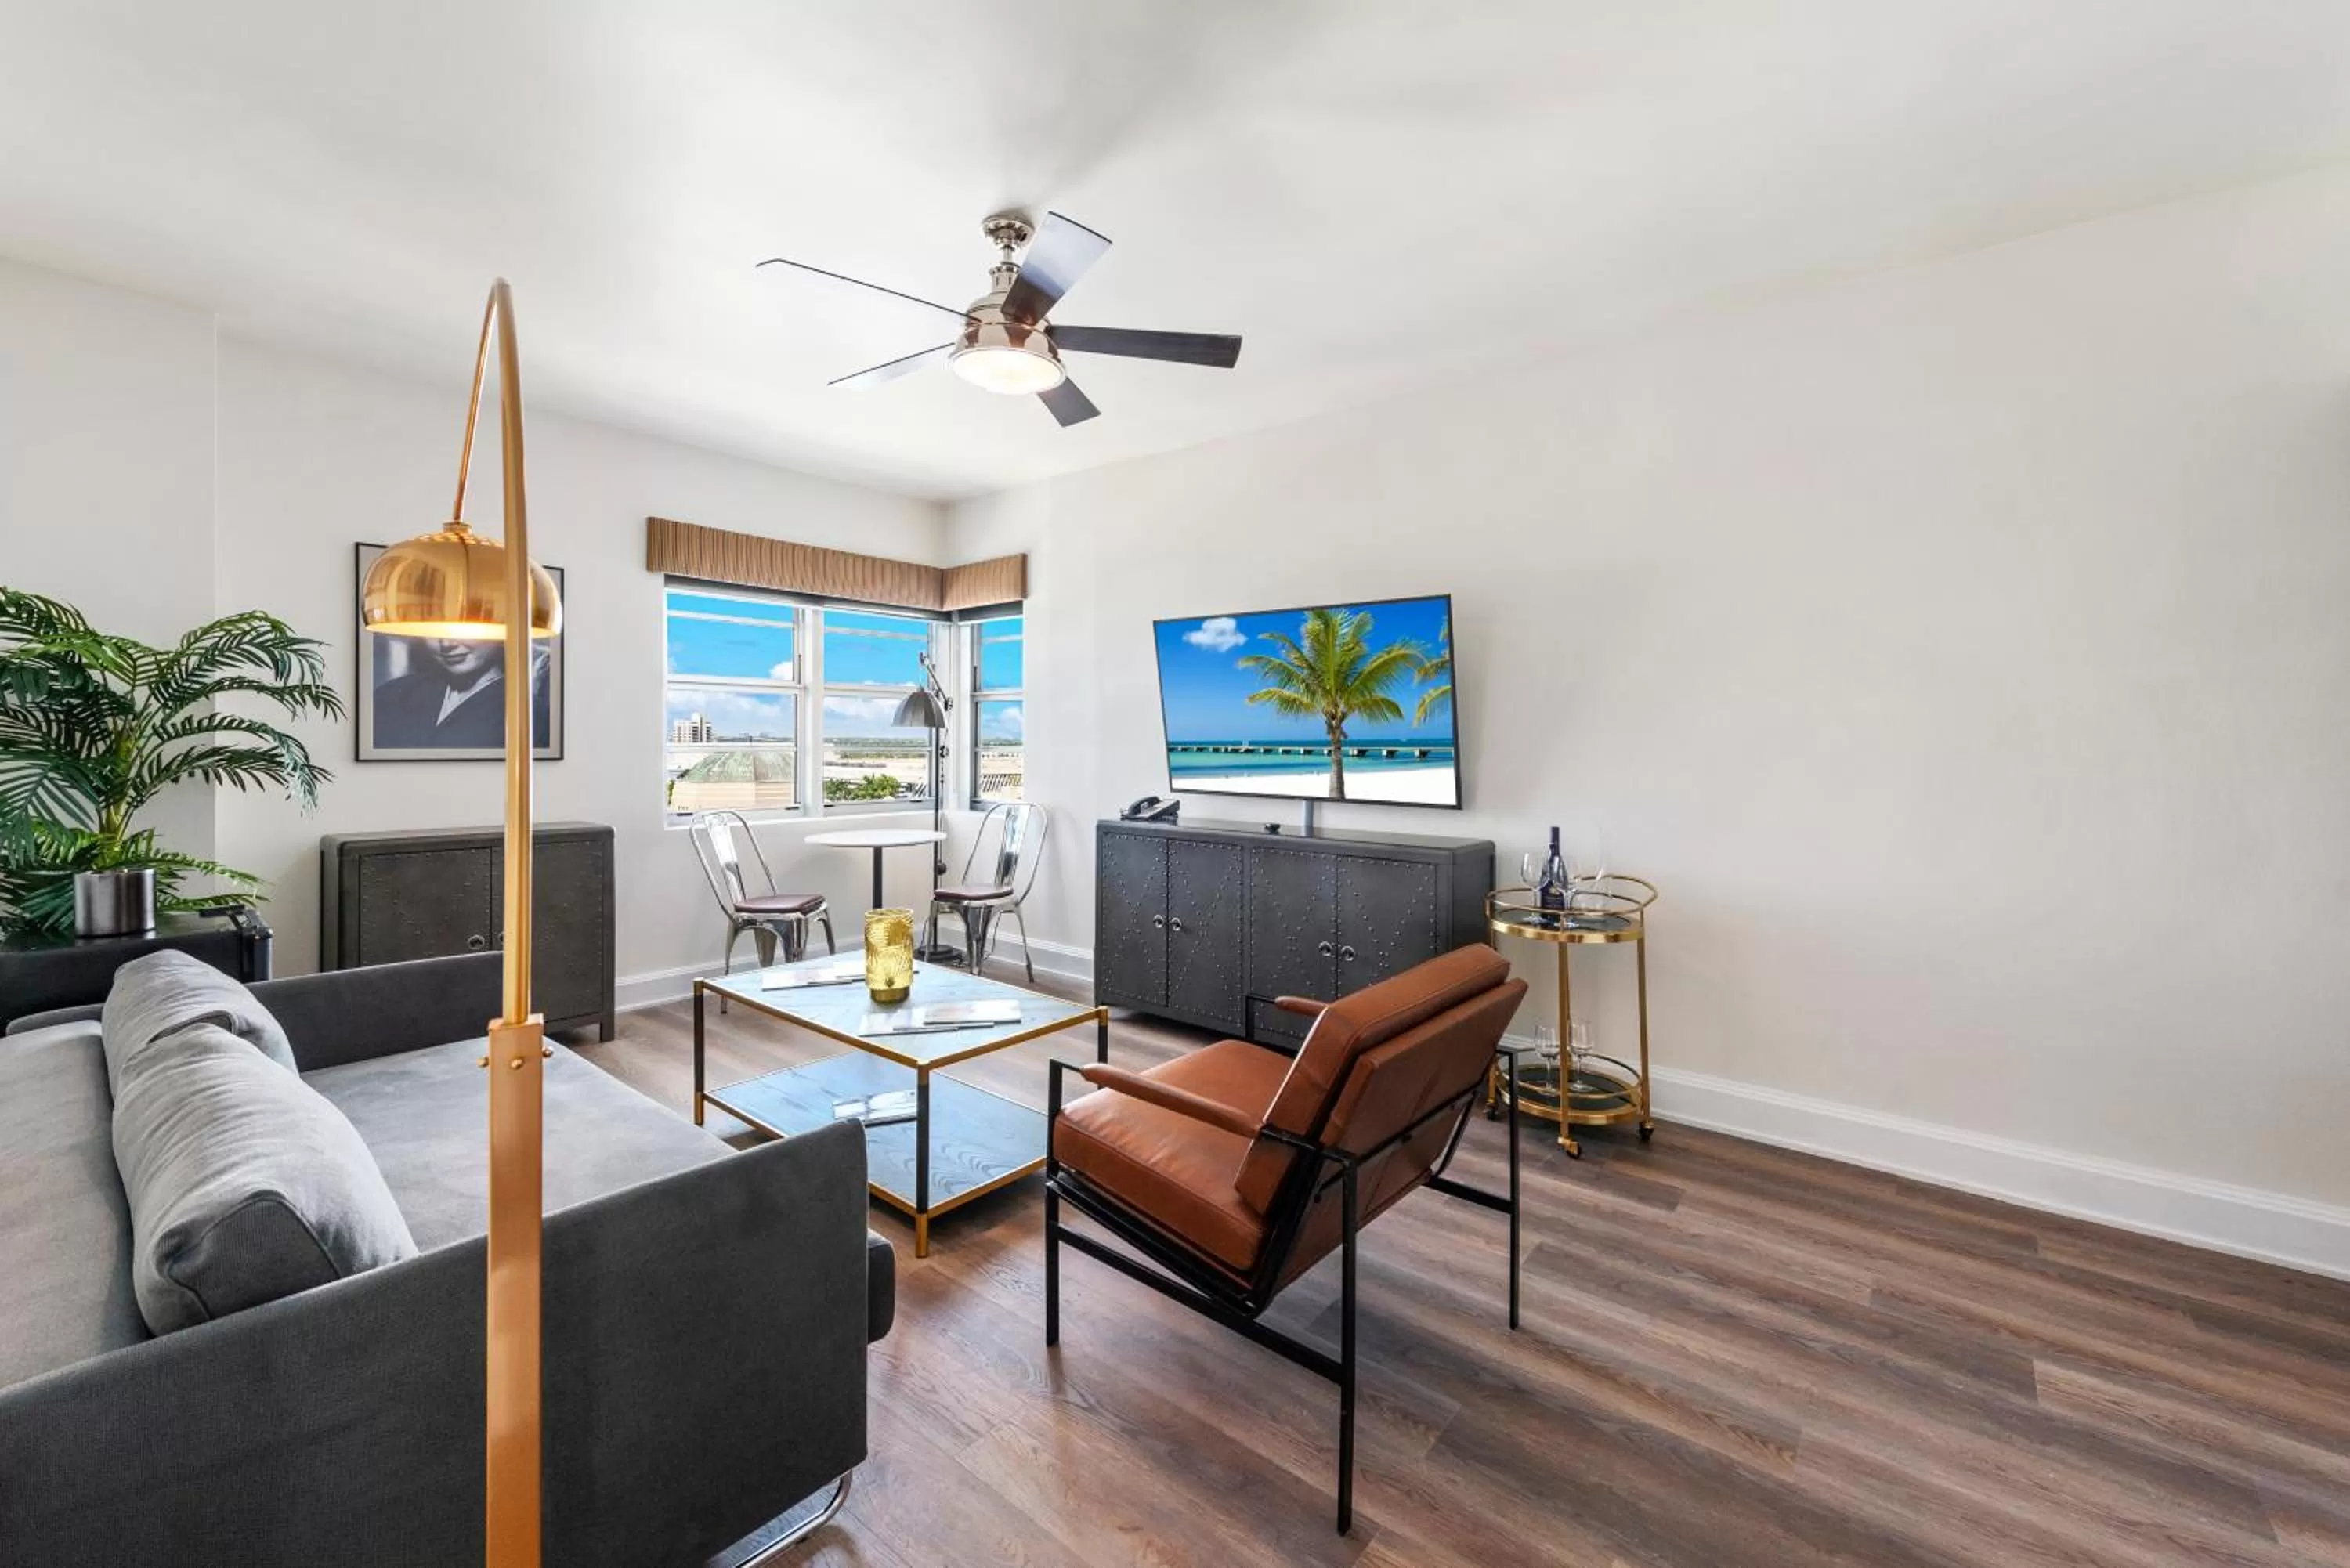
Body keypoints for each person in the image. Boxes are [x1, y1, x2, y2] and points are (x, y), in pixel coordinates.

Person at [371, 636, 552, 752]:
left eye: (466, 629)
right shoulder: (392, 695)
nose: (447, 644)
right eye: (435, 629)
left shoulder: (532, 718)